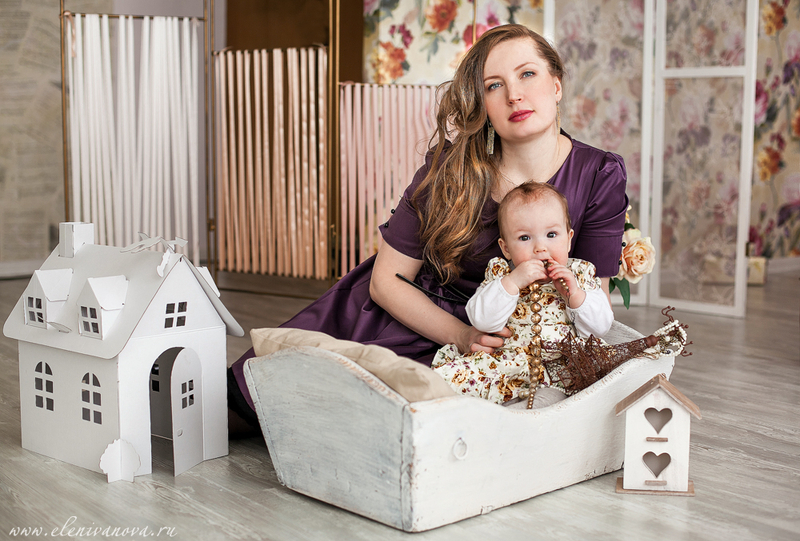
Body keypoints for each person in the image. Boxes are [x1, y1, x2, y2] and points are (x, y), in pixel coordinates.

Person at [227, 23, 629, 431]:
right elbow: (386, 282)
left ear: (556, 85)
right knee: (244, 407)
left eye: (527, 74)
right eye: (494, 85)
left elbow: (595, 304)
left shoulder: (599, 174)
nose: (514, 95)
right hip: (410, 317)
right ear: (483, 106)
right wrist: (461, 335)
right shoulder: (450, 169)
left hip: (505, 348)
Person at [431, 181, 614, 406]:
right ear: (506, 248)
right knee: (450, 380)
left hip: (563, 366)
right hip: (508, 363)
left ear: (569, 239)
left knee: (600, 386)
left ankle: (531, 412)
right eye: (525, 238)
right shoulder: (503, 275)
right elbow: (482, 320)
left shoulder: (579, 274)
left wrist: (574, 295)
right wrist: (513, 283)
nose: (540, 248)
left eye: (552, 234)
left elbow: (601, 327)